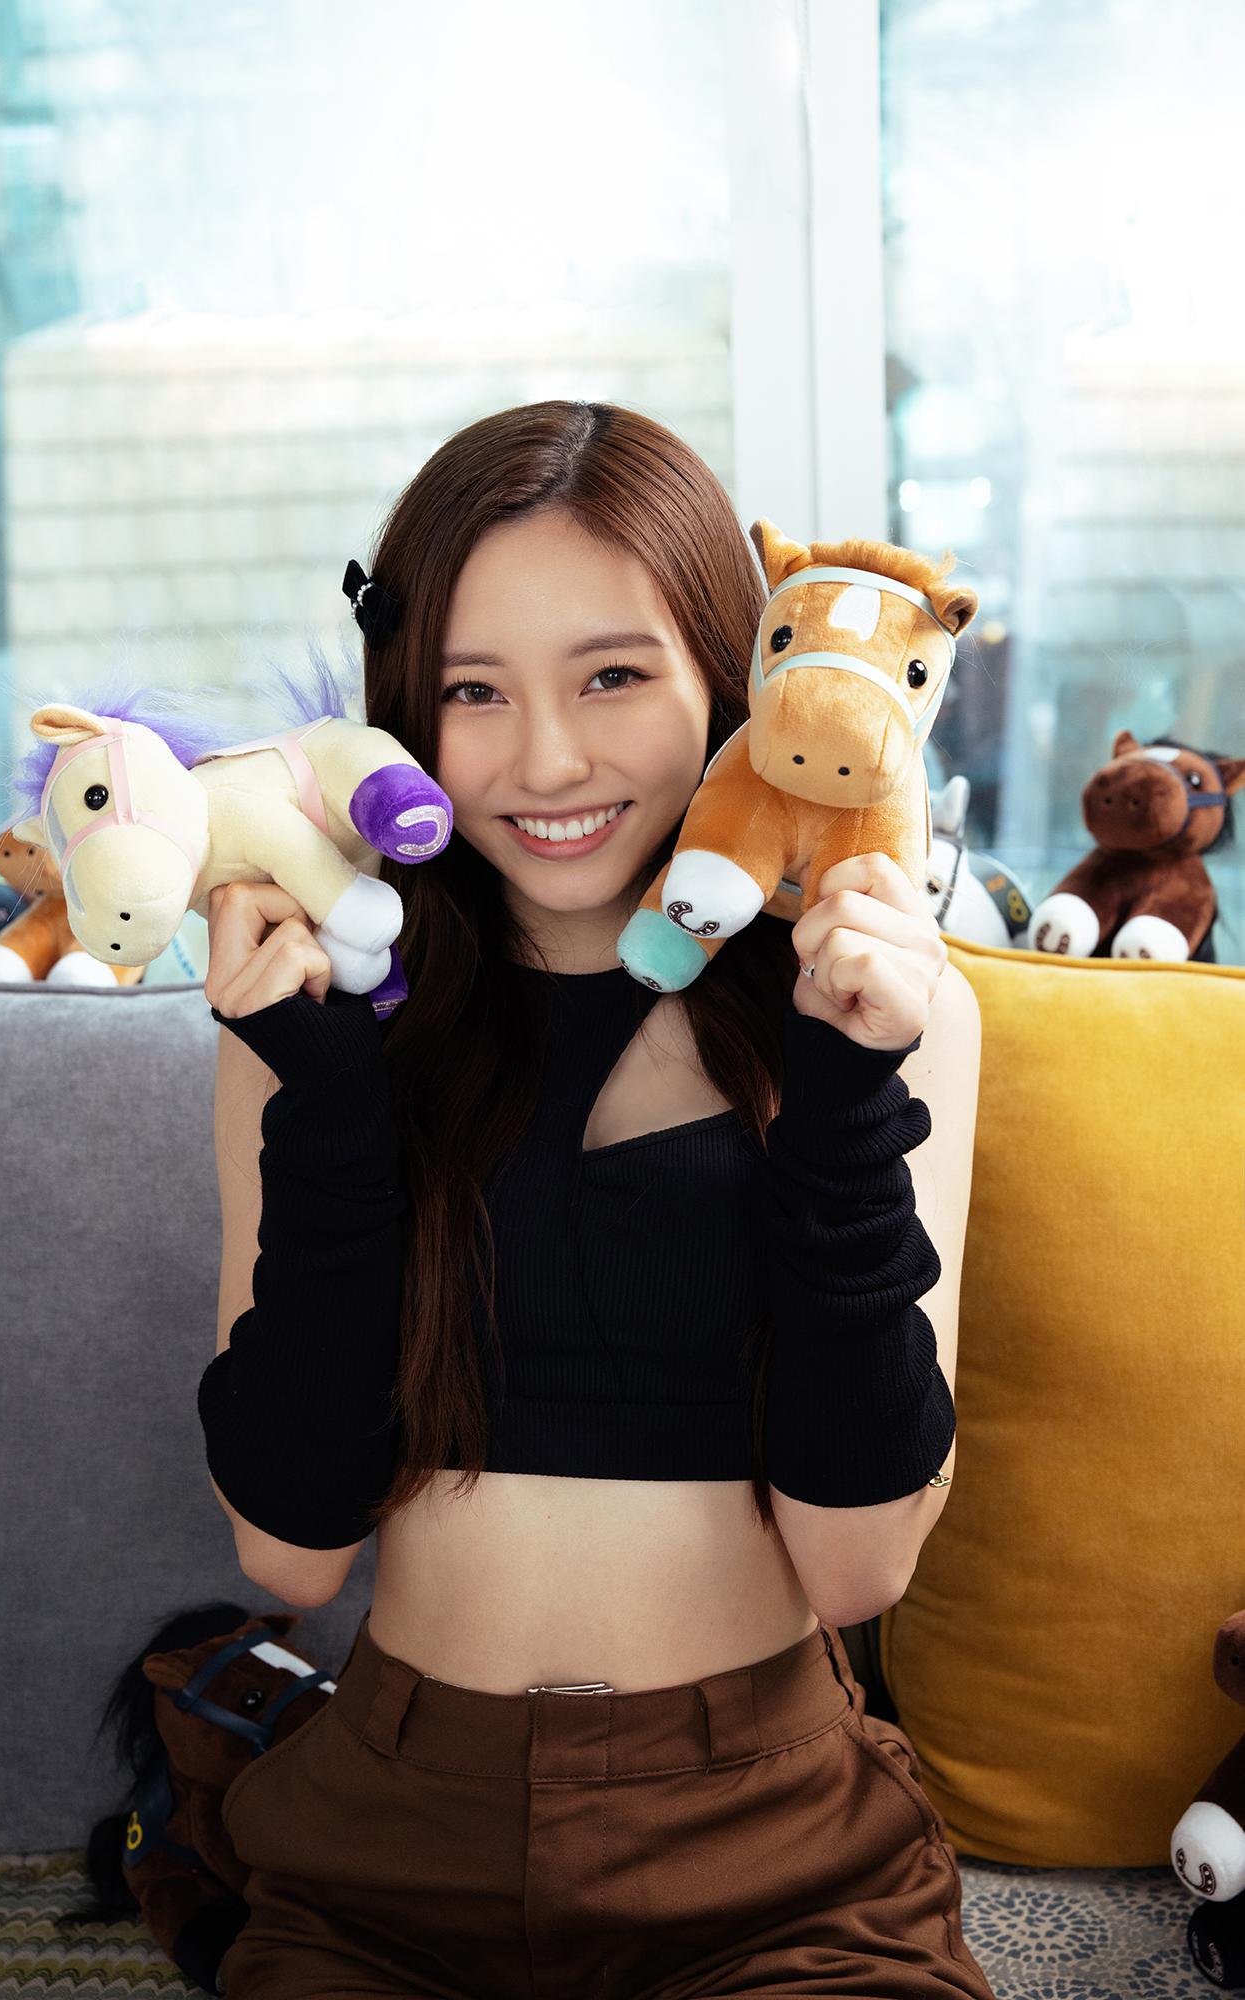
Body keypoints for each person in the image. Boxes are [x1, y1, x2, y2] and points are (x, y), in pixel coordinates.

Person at [199, 401, 994, 1999]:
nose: (547, 760)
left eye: (613, 676)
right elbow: (289, 1551)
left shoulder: (879, 999)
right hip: (386, 1842)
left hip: (771, 1852)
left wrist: (846, 1090)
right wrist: (330, 1100)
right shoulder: (320, 1007)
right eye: (472, 692)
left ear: (728, 673)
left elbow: (858, 1573)